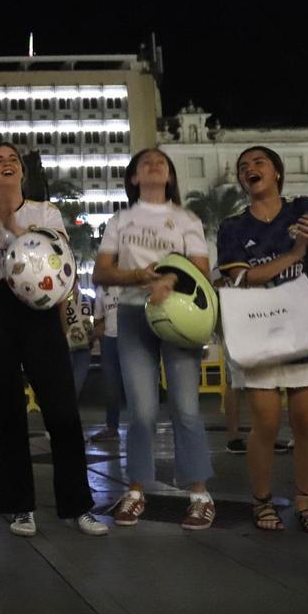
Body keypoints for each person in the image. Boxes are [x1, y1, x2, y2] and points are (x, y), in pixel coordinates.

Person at [0, 142, 107, 537]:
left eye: (13, 160)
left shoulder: (47, 212)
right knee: (9, 412)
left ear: (22, 172)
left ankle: (78, 505)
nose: (7, 164)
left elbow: (59, 261)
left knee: (61, 408)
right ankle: (19, 507)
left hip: (39, 310)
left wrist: (15, 225)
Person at [217, 146, 308, 533]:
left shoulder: (304, 207)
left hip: (305, 322)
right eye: (243, 167)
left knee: (307, 420)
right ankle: (262, 500)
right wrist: (295, 254)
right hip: (258, 327)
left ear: (277, 173)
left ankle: (305, 503)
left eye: (258, 163)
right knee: (267, 423)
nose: (249, 169)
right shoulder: (233, 227)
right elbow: (240, 278)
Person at [93, 148, 215, 529]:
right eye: (145, 162)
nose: (154, 164)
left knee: (186, 407)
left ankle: (199, 493)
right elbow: (101, 272)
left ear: (171, 176)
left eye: (161, 162)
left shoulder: (186, 218)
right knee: (141, 411)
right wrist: (138, 278)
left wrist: (168, 280)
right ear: (133, 178)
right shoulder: (120, 221)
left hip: (179, 314)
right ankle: (135, 490)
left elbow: (201, 269)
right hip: (133, 314)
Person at [89, 284, 122, 443]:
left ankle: (141, 426)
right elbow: (98, 318)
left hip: (130, 337)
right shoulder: (101, 290)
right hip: (109, 339)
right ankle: (112, 426)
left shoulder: (127, 282)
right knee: (110, 384)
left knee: (134, 384)